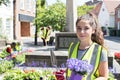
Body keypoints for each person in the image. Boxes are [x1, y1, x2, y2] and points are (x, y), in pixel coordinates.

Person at [67, 12, 108, 80]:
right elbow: (68, 71)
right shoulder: (72, 47)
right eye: (79, 28)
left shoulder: (100, 51)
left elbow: (104, 77)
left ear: (93, 30)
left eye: (86, 28)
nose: (82, 32)